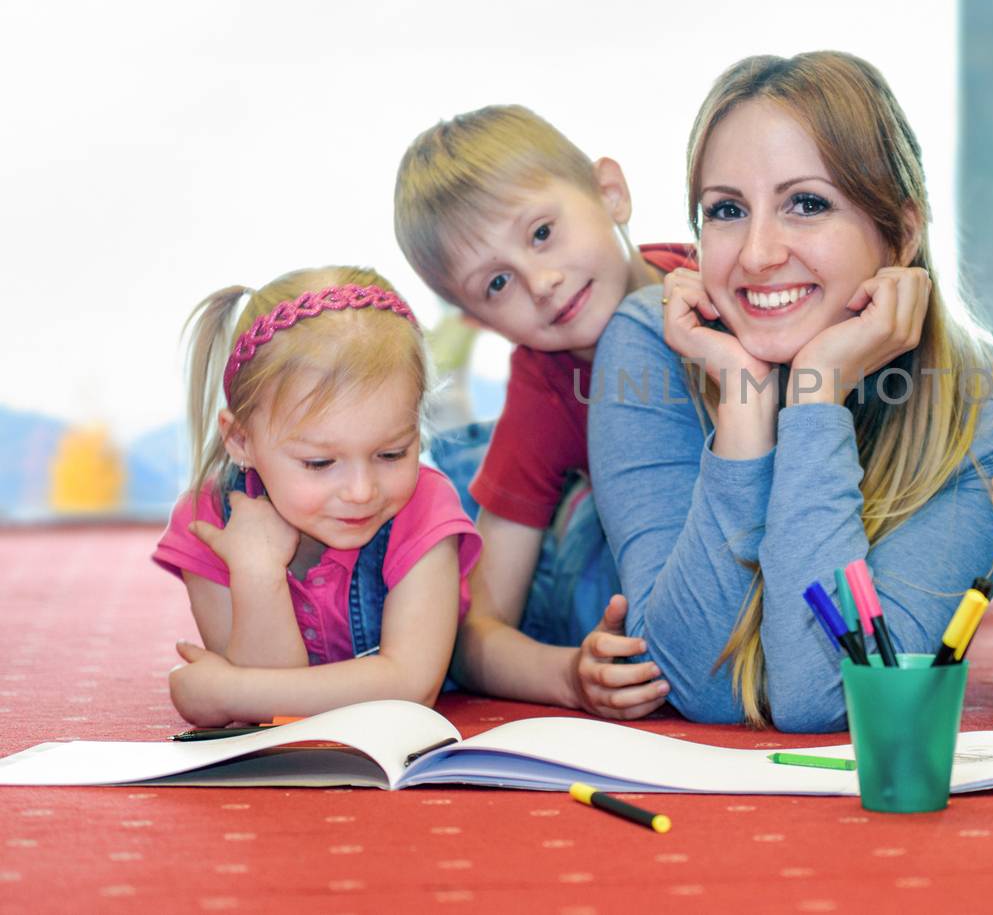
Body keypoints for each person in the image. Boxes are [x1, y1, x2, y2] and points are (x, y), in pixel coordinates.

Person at [587, 51, 993, 732]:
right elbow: (693, 681)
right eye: (725, 210)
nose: (755, 254)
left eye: (806, 204)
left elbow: (827, 695)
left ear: (901, 232)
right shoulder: (652, 339)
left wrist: (815, 397)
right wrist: (745, 411)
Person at [393, 105, 692, 718]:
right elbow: (476, 630)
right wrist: (568, 677)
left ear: (610, 192)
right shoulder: (545, 386)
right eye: (497, 284)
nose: (541, 281)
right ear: (477, 320)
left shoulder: (719, 279)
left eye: (541, 233)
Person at [153, 267, 482, 725]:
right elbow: (269, 710)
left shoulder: (424, 505)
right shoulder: (208, 518)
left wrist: (229, 691)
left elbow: (410, 686)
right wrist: (257, 572)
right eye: (319, 463)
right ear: (241, 440)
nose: (362, 491)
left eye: (392, 453)